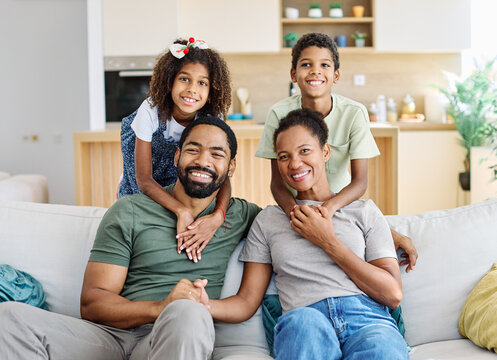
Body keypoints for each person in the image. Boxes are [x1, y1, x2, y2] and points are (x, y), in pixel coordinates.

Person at [0, 116, 261, 360]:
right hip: (111, 338)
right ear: (177, 156)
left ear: (231, 166)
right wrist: (159, 306)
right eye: (193, 150)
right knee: (9, 316)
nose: (203, 161)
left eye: (217, 154)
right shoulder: (131, 210)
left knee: (188, 312)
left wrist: (217, 216)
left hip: (175, 335)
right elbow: (92, 304)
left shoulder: (241, 215)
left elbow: (288, 214)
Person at [201, 109, 409, 359]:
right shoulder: (269, 220)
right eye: (284, 156)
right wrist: (201, 303)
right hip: (305, 320)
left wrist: (328, 241)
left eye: (305, 151)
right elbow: (246, 301)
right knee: (303, 325)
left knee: (382, 348)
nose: (295, 163)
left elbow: (392, 294)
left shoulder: (363, 211)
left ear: (325, 152)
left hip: (368, 321)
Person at [255, 32, 417, 271]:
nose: (315, 71)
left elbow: (360, 182)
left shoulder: (354, 113)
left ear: (336, 75)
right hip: (298, 206)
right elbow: (277, 184)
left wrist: (328, 209)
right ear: (293, 74)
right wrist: (296, 215)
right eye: (306, 65)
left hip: (341, 207)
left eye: (324, 65)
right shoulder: (278, 113)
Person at [120, 37, 233, 262]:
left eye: (202, 83)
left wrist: (218, 216)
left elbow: (222, 175)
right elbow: (143, 180)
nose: (192, 90)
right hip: (142, 183)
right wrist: (181, 210)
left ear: (211, 91)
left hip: (179, 182)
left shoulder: (212, 118)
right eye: (184, 79)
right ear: (170, 81)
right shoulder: (150, 111)